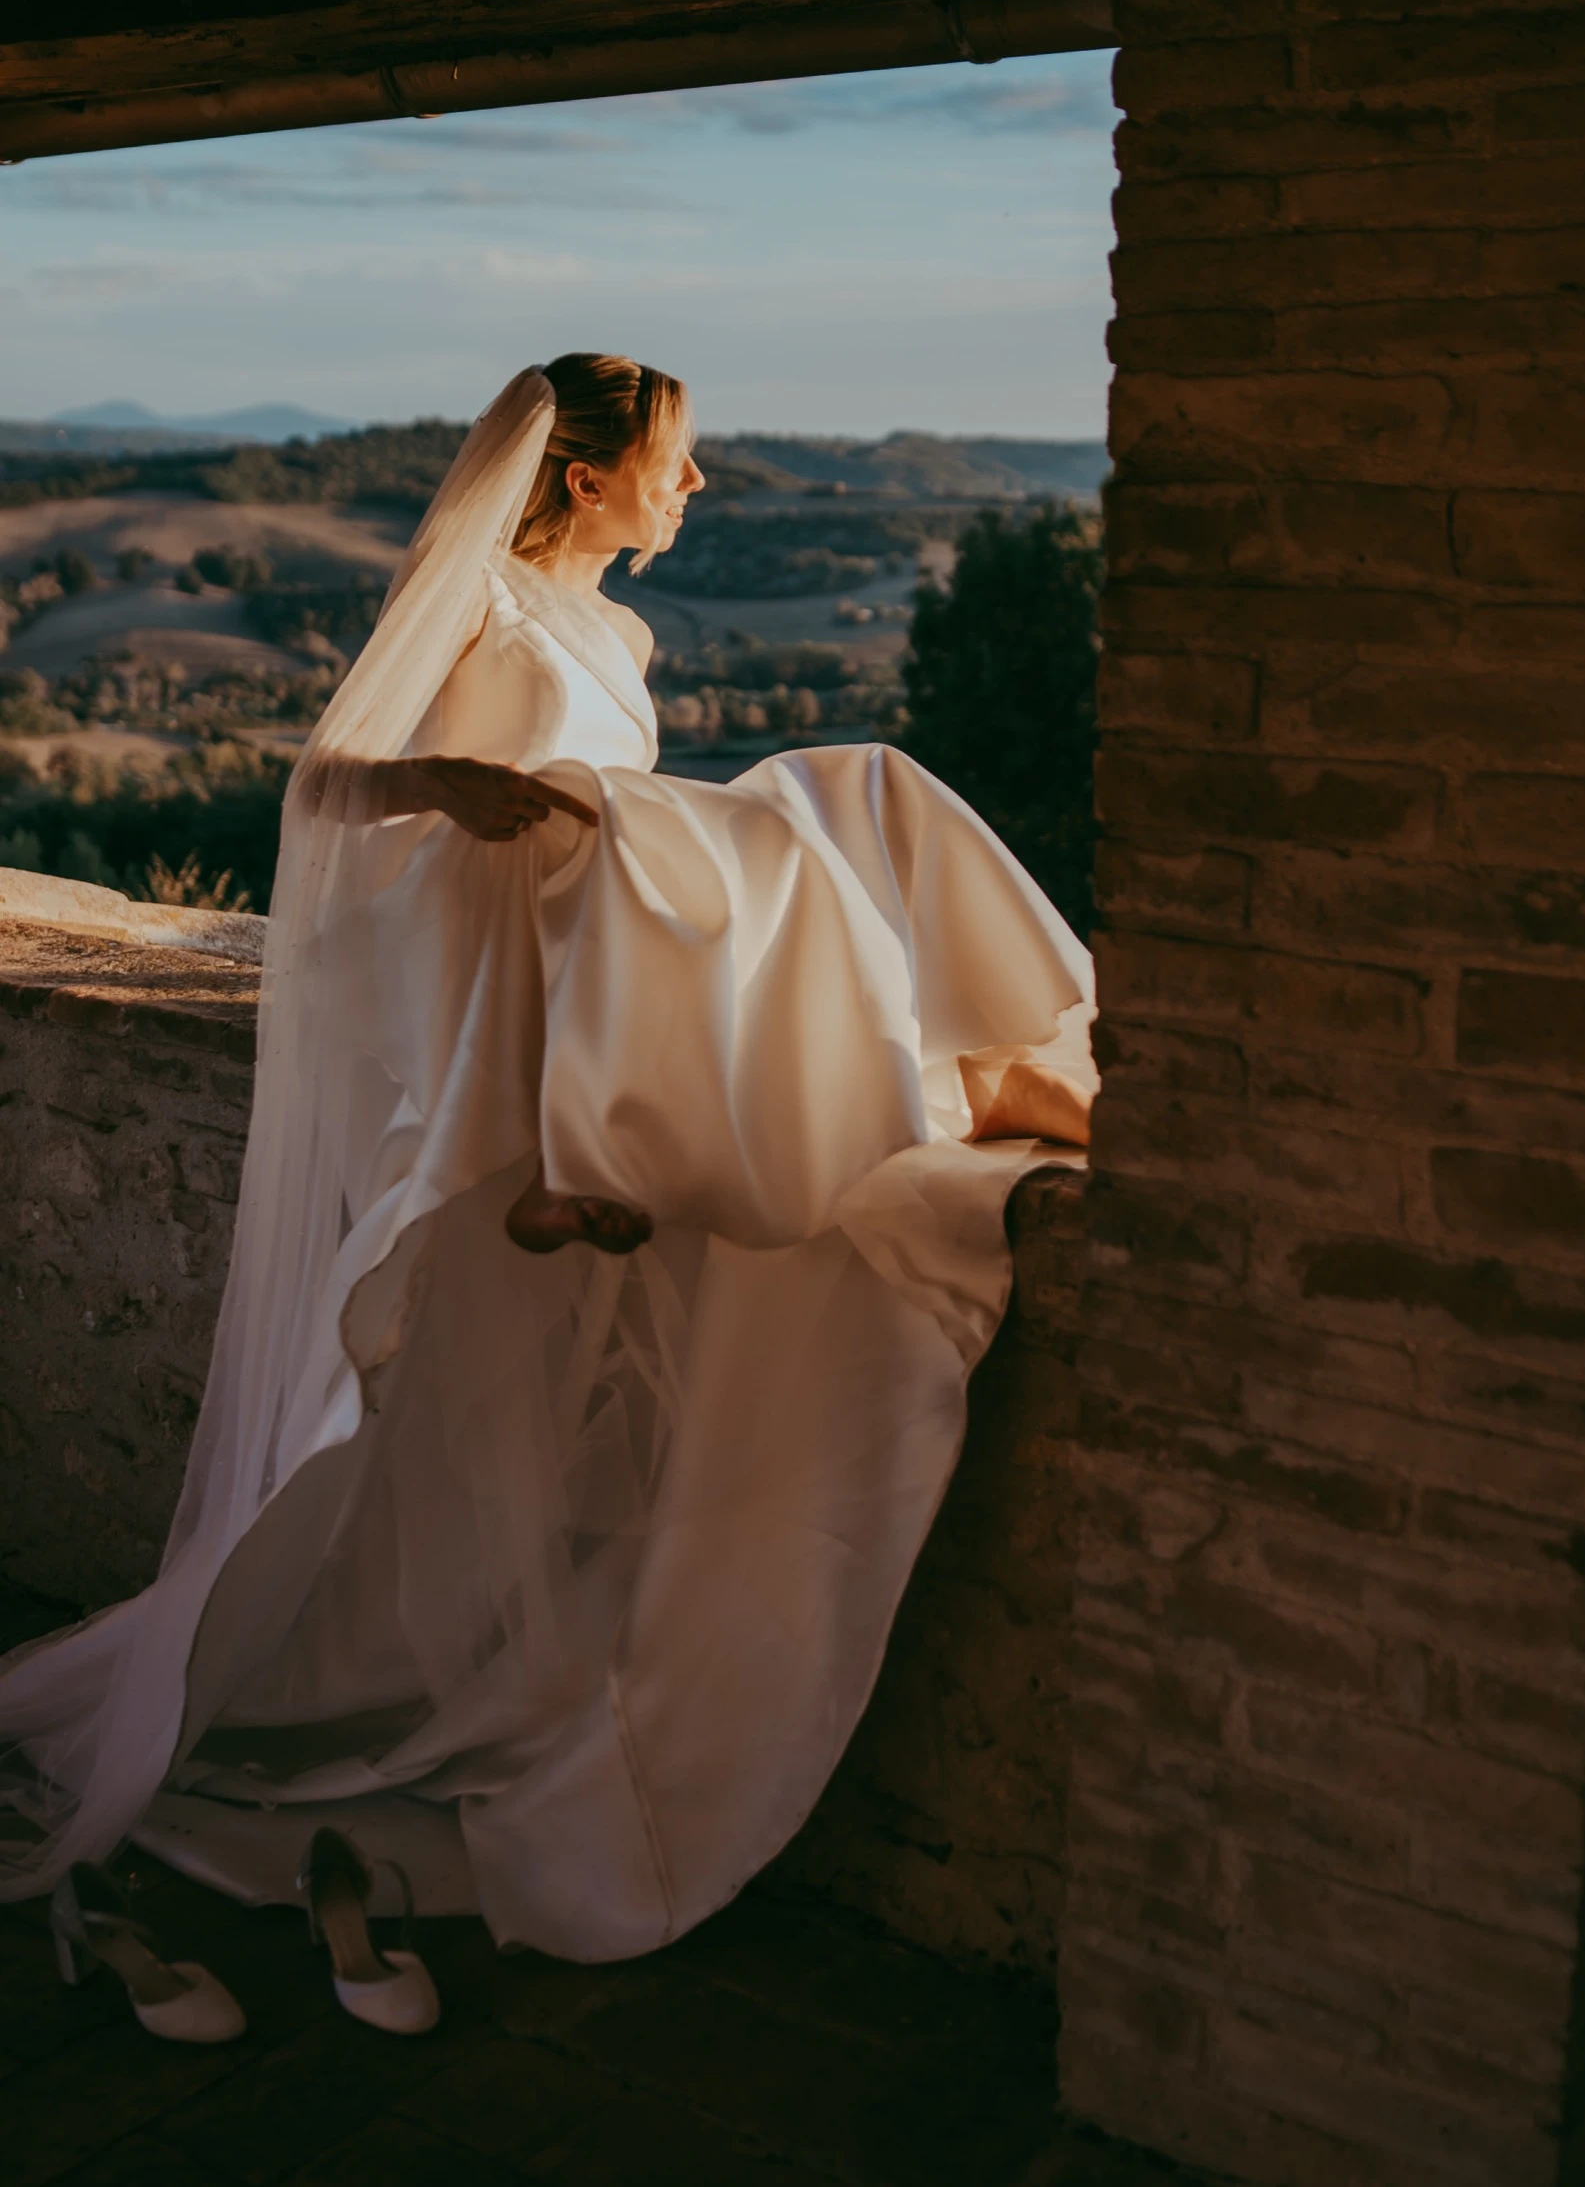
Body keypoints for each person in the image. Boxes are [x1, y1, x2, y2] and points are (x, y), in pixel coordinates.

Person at [0, 355, 1095, 1976]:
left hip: (598, 949)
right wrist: (443, 779)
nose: (699, 485)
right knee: (821, 797)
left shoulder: (624, 632)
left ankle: (969, 1062)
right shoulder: (484, 604)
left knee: (847, 794)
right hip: (490, 970)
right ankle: (854, 1093)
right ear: (585, 479)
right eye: (679, 460)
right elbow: (324, 785)